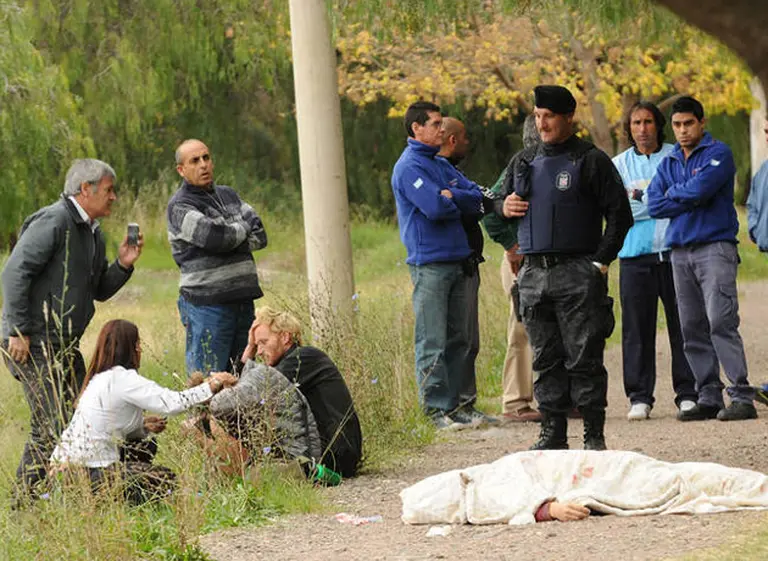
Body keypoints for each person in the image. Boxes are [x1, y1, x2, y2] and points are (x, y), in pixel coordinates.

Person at [496, 85, 633, 450]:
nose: (542, 124)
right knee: (545, 358)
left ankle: (593, 435)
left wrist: (599, 262)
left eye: (549, 117)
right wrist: (503, 208)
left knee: (584, 357)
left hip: (578, 271)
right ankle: (552, 433)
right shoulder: (523, 160)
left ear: (568, 117)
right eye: (537, 117)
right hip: (534, 274)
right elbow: (495, 203)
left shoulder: (591, 160)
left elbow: (620, 216)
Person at [1, 158, 143, 498]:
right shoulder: (53, 220)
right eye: (108, 190)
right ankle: (24, 502)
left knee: (86, 416)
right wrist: (17, 330)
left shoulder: (94, 232)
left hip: (64, 345)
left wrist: (123, 265)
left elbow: (99, 290)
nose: (113, 197)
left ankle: (72, 495)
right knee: (51, 423)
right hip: (32, 342)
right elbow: (15, 272)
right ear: (85, 189)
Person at [647, 96, 757, 422]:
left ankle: (741, 396)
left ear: (701, 122)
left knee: (721, 320)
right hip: (680, 252)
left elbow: (700, 191)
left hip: (714, 248)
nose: (682, 130)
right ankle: (708, 396)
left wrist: (678, 193)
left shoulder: (718, 153)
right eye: (677, 125)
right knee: (691, 326)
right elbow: (654, 204)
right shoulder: (668, 162)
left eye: (688, 123)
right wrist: (688, 195)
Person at [49, 319, 237, 505]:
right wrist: (213, 384)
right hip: (87, 472)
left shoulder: (98, 379)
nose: (140, 350)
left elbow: (106, 425)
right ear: (130, 348)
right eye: (137, 344)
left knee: (146, 444)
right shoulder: (123, 379)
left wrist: (142, 426)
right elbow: (172, 403)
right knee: (165, 479)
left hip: (63, 471)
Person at [391, 101, 483, 430]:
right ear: (416, 128)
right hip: (429, 263)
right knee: (432, 340)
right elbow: (434, 208)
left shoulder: (441, 164)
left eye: (442, 123)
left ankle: (461, 406)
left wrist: (451, 196)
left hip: (459, 259)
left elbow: (476, 199)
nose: (441, 129)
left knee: (462, 339)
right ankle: (435, 411)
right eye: (434, 123)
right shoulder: (408, 167)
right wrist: (449, 199)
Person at [400, 449, 768, 525]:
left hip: (594, 467)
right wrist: (549, 509)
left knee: (673, 477)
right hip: (597, 473)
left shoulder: (482, 480)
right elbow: (505, 502)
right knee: (679, 479)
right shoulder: (478, 491)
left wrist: (547, 509)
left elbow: (509, 493)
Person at [613, 101, 698, 421]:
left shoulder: (676, 157)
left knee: (684, 324)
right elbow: (621, 210)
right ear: (629, 128)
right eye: (636, 123)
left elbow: (685, 200)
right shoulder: (618, 164)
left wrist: (640, 196)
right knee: (636, 329)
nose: (642, 129)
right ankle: (639, 396)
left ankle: (688, 393)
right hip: (634, 256)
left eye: (648, 122)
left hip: (676, 252)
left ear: (658, 125)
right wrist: (660, 198)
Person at [167, 139, 268, 376]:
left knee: (243, 380)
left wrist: (228, 237)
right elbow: (215, 238)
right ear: (181, 169)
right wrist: (237, 231)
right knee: (207, 383)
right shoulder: (180, 206)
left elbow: (260, 234)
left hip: (243, 302)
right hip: (207, 305)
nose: (203, 164)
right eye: (195, 161)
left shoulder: (229, 195)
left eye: (206, 157)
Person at [241, 307, 363, 478]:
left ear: (285, 337)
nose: (259, 351)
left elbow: (247, 394)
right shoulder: (291, 362)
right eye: (256, 345)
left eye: (263, 342)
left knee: (259, 474)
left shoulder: (302, 358)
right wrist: (250, 347)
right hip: (328, 450)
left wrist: (248, 353)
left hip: (336, 453)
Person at [435, 117, 497, 425]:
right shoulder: (436, 169)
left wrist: (462, 196)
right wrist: (469, 200)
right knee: (452, 339)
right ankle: (451, 407)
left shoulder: (455, 173)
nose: (468, 143)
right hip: (450, 262)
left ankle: (466, 403)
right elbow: (465, 205)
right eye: (464, 138)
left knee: (469, 340)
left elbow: (485, 200)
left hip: (470, 261)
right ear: (453, 140)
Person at [483, 114, 542, 423]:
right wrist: (511, 246)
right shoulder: (519, 165)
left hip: (556, 259)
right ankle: (515, 401)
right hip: (522, 261)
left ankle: (560, 397)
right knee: (521, 329)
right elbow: (490, 211)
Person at [747, 118, 768, 252]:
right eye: (766, 132)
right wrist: (757, 230)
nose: (767, 138)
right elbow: (752, 205)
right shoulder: (763, 170)